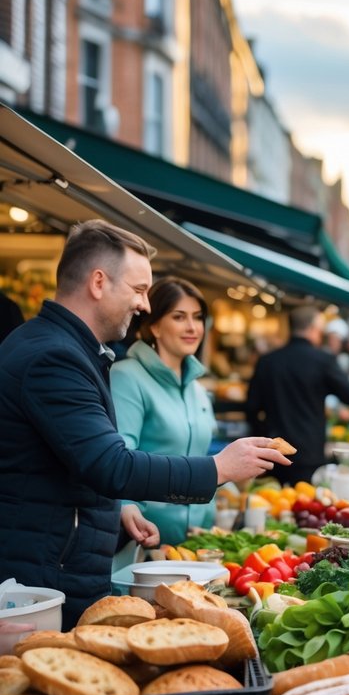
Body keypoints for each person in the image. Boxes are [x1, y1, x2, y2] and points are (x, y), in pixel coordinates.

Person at [0, 220, 288, 625]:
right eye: (138, 290)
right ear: (98, 282)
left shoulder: (64, 348)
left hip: (55, 567)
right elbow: (110, 463)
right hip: (45, 578)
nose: (144, 305)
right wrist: (218, 468)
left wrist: (117, 509)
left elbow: (74, 458)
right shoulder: (55, 357)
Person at [111, 276, 217, 557]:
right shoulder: (127, 377)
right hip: (141, 546)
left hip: (194, 546)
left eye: (198, 317)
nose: (193, 327)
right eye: (179, 317)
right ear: (154, 325)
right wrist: (126, 507)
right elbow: (115, 457)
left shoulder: (198, 390)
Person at [246, 305, 349, 485]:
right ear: (313, 329)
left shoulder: (267, 361)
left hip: (274, 452)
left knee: (274, 502)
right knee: (306, 506)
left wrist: (264, 437)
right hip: (309, 452)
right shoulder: (323, 360)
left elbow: (251, 408)